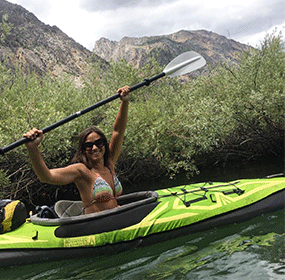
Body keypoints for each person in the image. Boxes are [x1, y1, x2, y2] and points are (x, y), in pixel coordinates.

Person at [23, 86, 130, 214]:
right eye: (88, 145)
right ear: (83, 150)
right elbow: (46, 177)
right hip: (96, 226)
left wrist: (124, 102)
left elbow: (118, 131)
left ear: (104, 144)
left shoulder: (110, 163)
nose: (94, 148)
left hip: (116, 219)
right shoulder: (81, 171)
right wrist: (33, 148)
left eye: (99, 143)